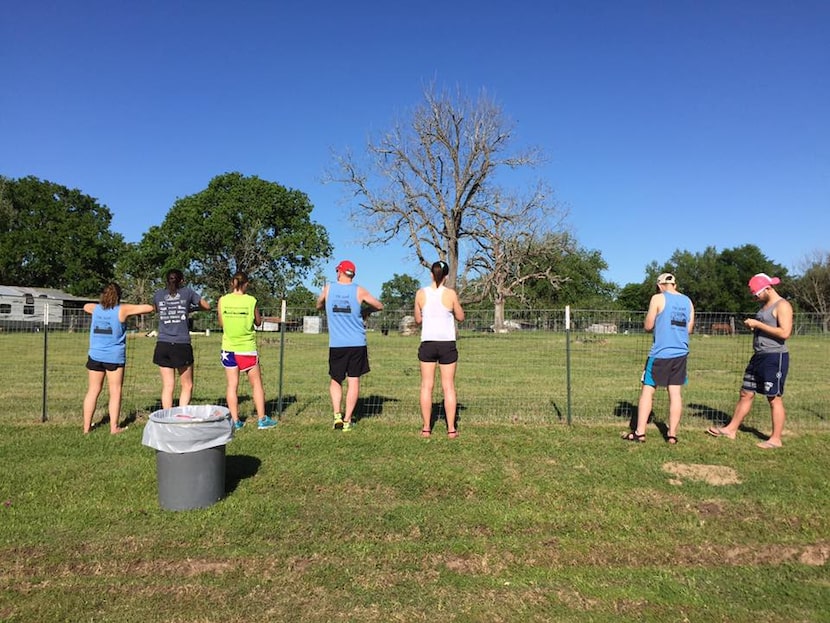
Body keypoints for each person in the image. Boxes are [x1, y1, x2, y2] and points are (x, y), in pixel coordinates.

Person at [707, 273, 792, 449]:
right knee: (746, 392)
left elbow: (785, 333)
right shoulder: (764, 306)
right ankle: (731, 429)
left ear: (768, 288)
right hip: (758, 356)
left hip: (774, 357)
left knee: (773, 397)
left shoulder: (782, 305)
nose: (755, 298)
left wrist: (758, 324)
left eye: (757, 294)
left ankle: (775, 439)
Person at [623, 273, 695, 444]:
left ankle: (640, 432)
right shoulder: (688, 301)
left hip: (660, 353)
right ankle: (672, 434)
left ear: (660, 285)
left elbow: (648, 325)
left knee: (648, 390)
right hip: (681, 353)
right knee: (675, 393)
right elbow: (689, 329)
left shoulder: (657, 298)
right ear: (675, 285)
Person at [316, 260, 384, 431]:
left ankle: (336, 414)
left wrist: (325, 305)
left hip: (337, 344)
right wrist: (366, 311)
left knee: (336, 379)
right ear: (352, 274)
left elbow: (318, 305)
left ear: (339, 271)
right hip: (357, 344)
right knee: (354, 381)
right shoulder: (359, 290)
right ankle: (347, 421)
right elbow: (379, 305)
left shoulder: (329, 288)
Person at [82, 283, 154, 434]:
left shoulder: (96, 309)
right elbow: (149, 308)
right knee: (115, 391)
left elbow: (86, 306)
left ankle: (86, 427)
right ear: (119, 295)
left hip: (95, 355)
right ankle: (114, 427)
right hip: (113, 357)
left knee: (93, 390)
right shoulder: (122, 310)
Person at [218, 271, 276, 430]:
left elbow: (221, 323)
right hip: (246, 349)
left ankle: (235, 421)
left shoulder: (222, 300)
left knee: (232, 385)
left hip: (228, 349)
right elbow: (257, 322)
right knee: (256, 384)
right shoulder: (251, 301)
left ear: (232, 284)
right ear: (246, 284)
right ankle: (262, 419)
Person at [414, 260, 465, 438]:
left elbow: (418, 320)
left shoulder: (421, 293)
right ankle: (451, 429)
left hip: (428, 343)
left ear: (431, 274)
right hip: (447, 344)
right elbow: (460, 316)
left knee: (426, 386)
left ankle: (426, 428)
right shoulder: (450, 294)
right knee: (448, 387)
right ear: (446, 276)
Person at [152, 269, 211, 409]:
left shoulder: (158, 294)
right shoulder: (188, 292)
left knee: (168, 385)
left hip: (162, 343)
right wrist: (192, 308)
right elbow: (207, 306)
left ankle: (167, 416)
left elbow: (156, 309)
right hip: (181, 344)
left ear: (166, 280)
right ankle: (182, 415)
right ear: (182, 281)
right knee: (187, 384)